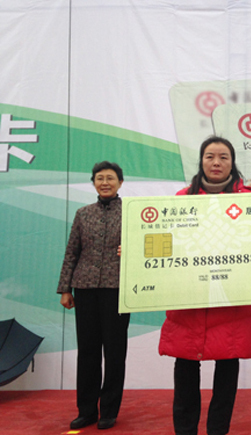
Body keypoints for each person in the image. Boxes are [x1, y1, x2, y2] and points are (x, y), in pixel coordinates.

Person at [158, 136, 251, 435]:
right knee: (185, 370)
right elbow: (166, 241)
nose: (216, 162)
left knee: (227, 373)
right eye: (210, 156)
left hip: (232, 300)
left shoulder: (250, 198)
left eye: (223, 157)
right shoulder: (181, 198)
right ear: (201, 161)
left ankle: (218, 430)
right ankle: (185, 430)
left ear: (232, 162)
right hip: (189, 300)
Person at [57, 161, 130, 430]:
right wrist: (65, 288)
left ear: (120, 182)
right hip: (85, 288)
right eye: (100, 178)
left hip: (117, 289)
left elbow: (147, 246)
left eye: (110, 178)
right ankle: (86, 410)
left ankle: (109, 410)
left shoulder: (132, 212)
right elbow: (71, 252)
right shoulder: (83, 214)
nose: (105, 182)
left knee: (114, 351)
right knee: (87, 351)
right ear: (94, 183)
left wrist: (131, 249)